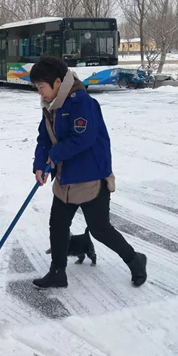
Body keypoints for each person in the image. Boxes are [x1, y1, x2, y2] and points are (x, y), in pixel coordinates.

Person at [31, 55, 147, 289]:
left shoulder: (82, 103)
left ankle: (135, 260)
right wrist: (40, 164)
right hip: (65, 178)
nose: (39, 93)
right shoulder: (50, 106)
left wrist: (55, 155)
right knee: (58, 225)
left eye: (41, 87)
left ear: (57, 82)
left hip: (90, 177)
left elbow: (83, 138)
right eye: (37, 88)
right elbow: (44, 138)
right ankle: (57, 272)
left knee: (100, 229)